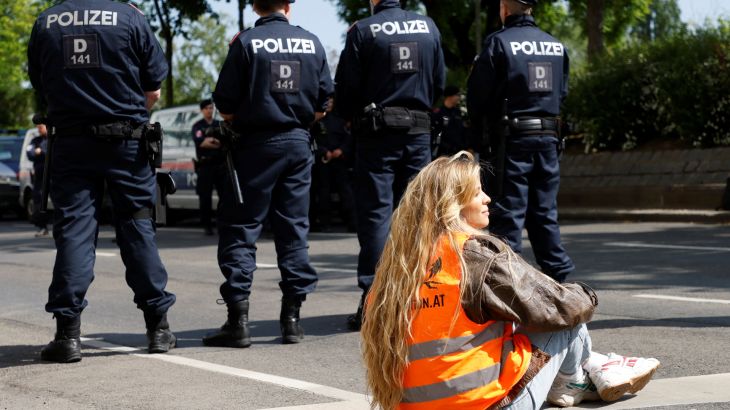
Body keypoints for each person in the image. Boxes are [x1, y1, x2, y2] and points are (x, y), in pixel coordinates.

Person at [360, 151, 660, 409]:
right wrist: (586, 294)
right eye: (478, 192)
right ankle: (582, 378)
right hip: (489, 405)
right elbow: (558, 306)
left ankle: (594, 368)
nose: (487, 198)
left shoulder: (395, 269)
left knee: (506, 319)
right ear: (455, 202)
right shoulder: (473, 253)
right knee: (568, 321)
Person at [28, 0, 177, 363]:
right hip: (127, 143)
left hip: (71, 144)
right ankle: (157, 328)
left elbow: (40, 82)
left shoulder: (46, 21)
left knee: (75, 232)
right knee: (138, 226)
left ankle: (67, 335)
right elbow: (153, 87)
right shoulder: (130, 17)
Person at [206, 0, 333, 347]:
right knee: (293, 228)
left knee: (241, 228)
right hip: (298, 144)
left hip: (254, 146)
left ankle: (238, 321)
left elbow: (226, 106)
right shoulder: (312, 41)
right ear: (288, 5)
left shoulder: (245, 42)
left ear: (255, 5)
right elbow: (325, 104)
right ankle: (292, 320)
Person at [334, 0, 446, 330]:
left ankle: (374, 301)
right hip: (418, 133)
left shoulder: (363, 30)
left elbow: (347, 90)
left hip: (377, 135)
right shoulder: (429, 27)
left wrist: (350, 119)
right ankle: (422, 299)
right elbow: (439, 83)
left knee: (375, 216)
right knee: (419, 216)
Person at [466, 0, 574, 283]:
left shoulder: (498, 44)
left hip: (510, 144)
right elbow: (561, 94)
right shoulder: (555, 45)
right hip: (548, 141)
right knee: (544, 216)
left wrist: (477, 141)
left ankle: (509, 292)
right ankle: (562, 284)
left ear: (504, 8)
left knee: (507, 219)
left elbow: (478, 98)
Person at [310, 110, 357, 233]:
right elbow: (312, 139)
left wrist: (341, 150)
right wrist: (323, 151)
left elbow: (349, 138)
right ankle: (324, 223)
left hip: (339, 160)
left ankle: (352, 222)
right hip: (322, 161)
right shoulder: (316, 121)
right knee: (322, 192)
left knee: (346, 191)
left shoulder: (340, 120)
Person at [192, 98, 224, 235]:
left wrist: (211, 140)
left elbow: (223, 142)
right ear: (202, 110)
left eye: (211, 108)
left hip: (220, 164)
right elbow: (201, 143)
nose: (209, 110)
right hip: (205, 165)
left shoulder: (219, 124)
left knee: (224, 196)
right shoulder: (198, 126)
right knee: (205, 197)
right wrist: (214, 141)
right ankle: (207, 225)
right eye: (207, 108)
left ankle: (222, 223)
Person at [26, 123, 50, 237]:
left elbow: (53, 153)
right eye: (37, 127)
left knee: (59, 199)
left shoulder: (53, 138)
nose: (38, 129)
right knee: (39, 201)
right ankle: (42, 227)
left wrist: (42, 151)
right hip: (40, 177)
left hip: (53, 174)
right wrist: (37, 152)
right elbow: (29, 153)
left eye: (40, 127)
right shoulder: (35, 140)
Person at [433, 85, 470, 157]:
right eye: (457, 95)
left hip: (458, 153)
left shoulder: (458, 112)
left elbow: (463, 131)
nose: (459, 98)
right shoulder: (439, 113)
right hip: (443, 153)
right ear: (450, 96)